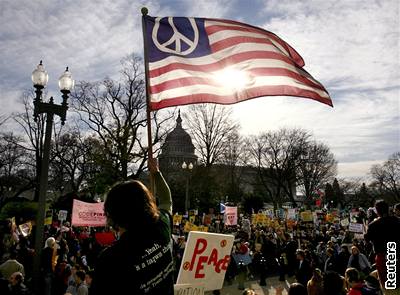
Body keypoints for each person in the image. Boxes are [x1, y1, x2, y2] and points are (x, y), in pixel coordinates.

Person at [90, 158, 174, 295]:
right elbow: (167, 201)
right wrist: (157, 173)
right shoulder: (162, 226)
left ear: (113, 215)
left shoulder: (110, 260)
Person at [365, 200, 400, 289]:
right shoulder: (397, 221)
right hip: (396, 253)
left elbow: (368, 239)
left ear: (376, 210)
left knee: (387, 284)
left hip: (382, 255)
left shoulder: (373, 225)